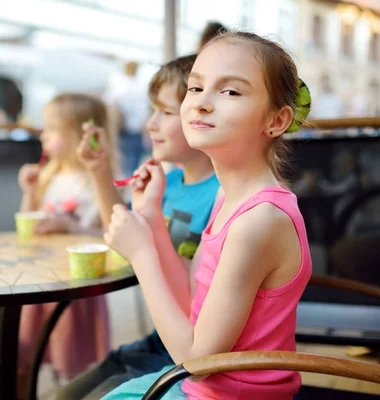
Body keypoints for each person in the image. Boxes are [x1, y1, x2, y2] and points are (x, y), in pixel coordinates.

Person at [103, 31, 313, 399]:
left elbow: (197, 361)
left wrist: (141, 255)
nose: (200, 104)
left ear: (277, 121)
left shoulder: (258, 220)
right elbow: (190, 294)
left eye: (230, 92)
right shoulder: (229, 197)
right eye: (195, 89)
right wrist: (151, 217)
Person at [56, 54, 220, 400]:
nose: (150, 124)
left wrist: (143, 248)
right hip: (159, 342)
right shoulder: (169, 183)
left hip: (187, 353)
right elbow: (121, 229)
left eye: (164, 111)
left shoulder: (223, 198)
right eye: (152, 110)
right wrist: (100, 170)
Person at [16, 93, 119, 393]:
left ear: (75, 132)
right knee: (34, 353)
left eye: (51, 129)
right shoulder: (51, 175)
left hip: (76, 289)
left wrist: (68, 225)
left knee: (72, 361)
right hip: (41, 280)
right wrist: (30, 192)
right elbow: (29, 223)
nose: (43, 136)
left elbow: (108, 236)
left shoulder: (97, 181)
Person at [105, 61, 151, 176]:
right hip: (135, 130)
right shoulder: (140, 86)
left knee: (126, 162)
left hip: (125, 130)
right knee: (134, 161)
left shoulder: (118, 85)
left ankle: (127, 184)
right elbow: (145, 110)